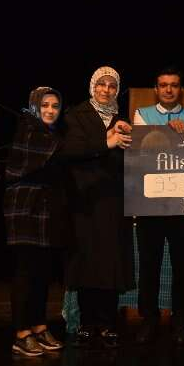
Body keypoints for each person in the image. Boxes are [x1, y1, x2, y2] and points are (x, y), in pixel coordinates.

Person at [62, 66, 134, 349]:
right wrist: (108, 141)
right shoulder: (75, 115)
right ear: (92, 86)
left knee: (110, 262)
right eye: (101, 84)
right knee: (87, 261)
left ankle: (107, 323)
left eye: (112, 86)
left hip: (113, 201)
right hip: (85, 200)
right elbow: (72, 150)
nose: (106, 90)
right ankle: (86, 322)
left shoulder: (122, 119)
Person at [132, 66, 184, 346]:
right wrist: (167, 133)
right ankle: (149, 319)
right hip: (150, 203)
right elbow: (140, 150)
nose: (168, 89)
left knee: (183, 266)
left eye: (174, 85)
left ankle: (180, 321)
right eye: (163, 85)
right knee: (149, 265)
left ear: (180, 89)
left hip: (181, 204)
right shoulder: (141, 114)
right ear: (156, 89)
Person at [4, 87, 68, 357]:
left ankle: (39, 326)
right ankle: (21, 333)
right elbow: (60, 154)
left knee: (42, 272)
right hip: (25, 207)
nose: (50, 110)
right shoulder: (29, 129)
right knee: (24, 271)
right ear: (34, 106)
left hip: (46, 208)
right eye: (45, 105)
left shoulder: (53, 133)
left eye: (55, 106)